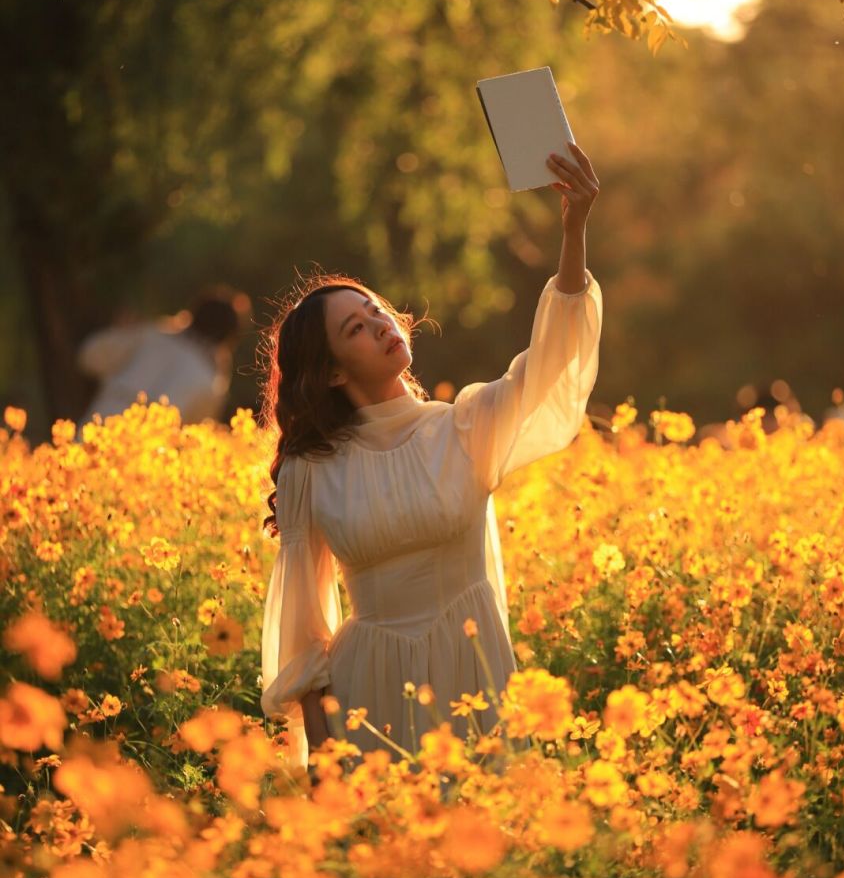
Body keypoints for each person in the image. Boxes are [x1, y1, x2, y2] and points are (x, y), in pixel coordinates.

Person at [259, 141, 603, 771]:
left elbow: (551, 362)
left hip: (472, 671)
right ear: (332, 373)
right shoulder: (312, 470)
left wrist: (574, 229)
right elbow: (308, 627)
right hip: (368, 691)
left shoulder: (464, 426)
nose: (382, 325)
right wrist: (325, 762)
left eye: (377, 312)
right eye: (357, 329)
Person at [76, 284, 251, 430]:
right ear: (228, 339)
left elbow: (89, 356)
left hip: (90, 440)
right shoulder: (211, 385)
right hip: (139, 463)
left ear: (192, 315)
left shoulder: (150, 337)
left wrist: (120, 331)